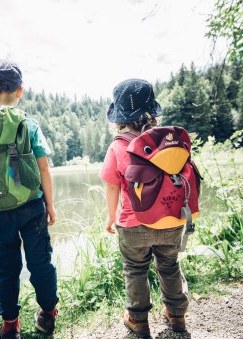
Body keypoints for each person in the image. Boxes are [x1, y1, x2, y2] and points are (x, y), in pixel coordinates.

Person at [0, 59, 59, 339]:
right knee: (40, 262)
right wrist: (50, 205)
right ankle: (47, 314)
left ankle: (9, 326)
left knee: (6, 269)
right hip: (31, 205)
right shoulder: (27, 124)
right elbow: (43, 169)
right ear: (21, 91)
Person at [99, 79, 189, 338]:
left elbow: (112, 186)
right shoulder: (169, 143)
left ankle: (138, 320)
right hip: (171, 219)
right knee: (169, 265)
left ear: (119, 118)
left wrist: (109, 218)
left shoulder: (117, 147)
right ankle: (176, 315)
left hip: (132, 223)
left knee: (135, 269)